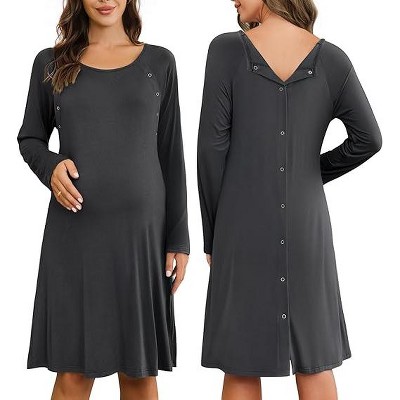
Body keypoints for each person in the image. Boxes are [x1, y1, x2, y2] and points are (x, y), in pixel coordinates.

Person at [197, 1, 382, 399]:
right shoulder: (332, 59)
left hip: (240, 225)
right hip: (306, 227)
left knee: (241, 362)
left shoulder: (226, 50)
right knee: (314, 359)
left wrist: (214, 234)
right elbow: (369, 139)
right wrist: (306, 174)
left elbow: (211, 151)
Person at [17, 0, 189, 398]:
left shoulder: (160, 62)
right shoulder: (52, 63)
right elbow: (30, 138)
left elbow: (171, 154)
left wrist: (179, 239)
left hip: (141, 238)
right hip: (76, 235)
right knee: (74, 374)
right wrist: (51, 167)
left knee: (139, 372)